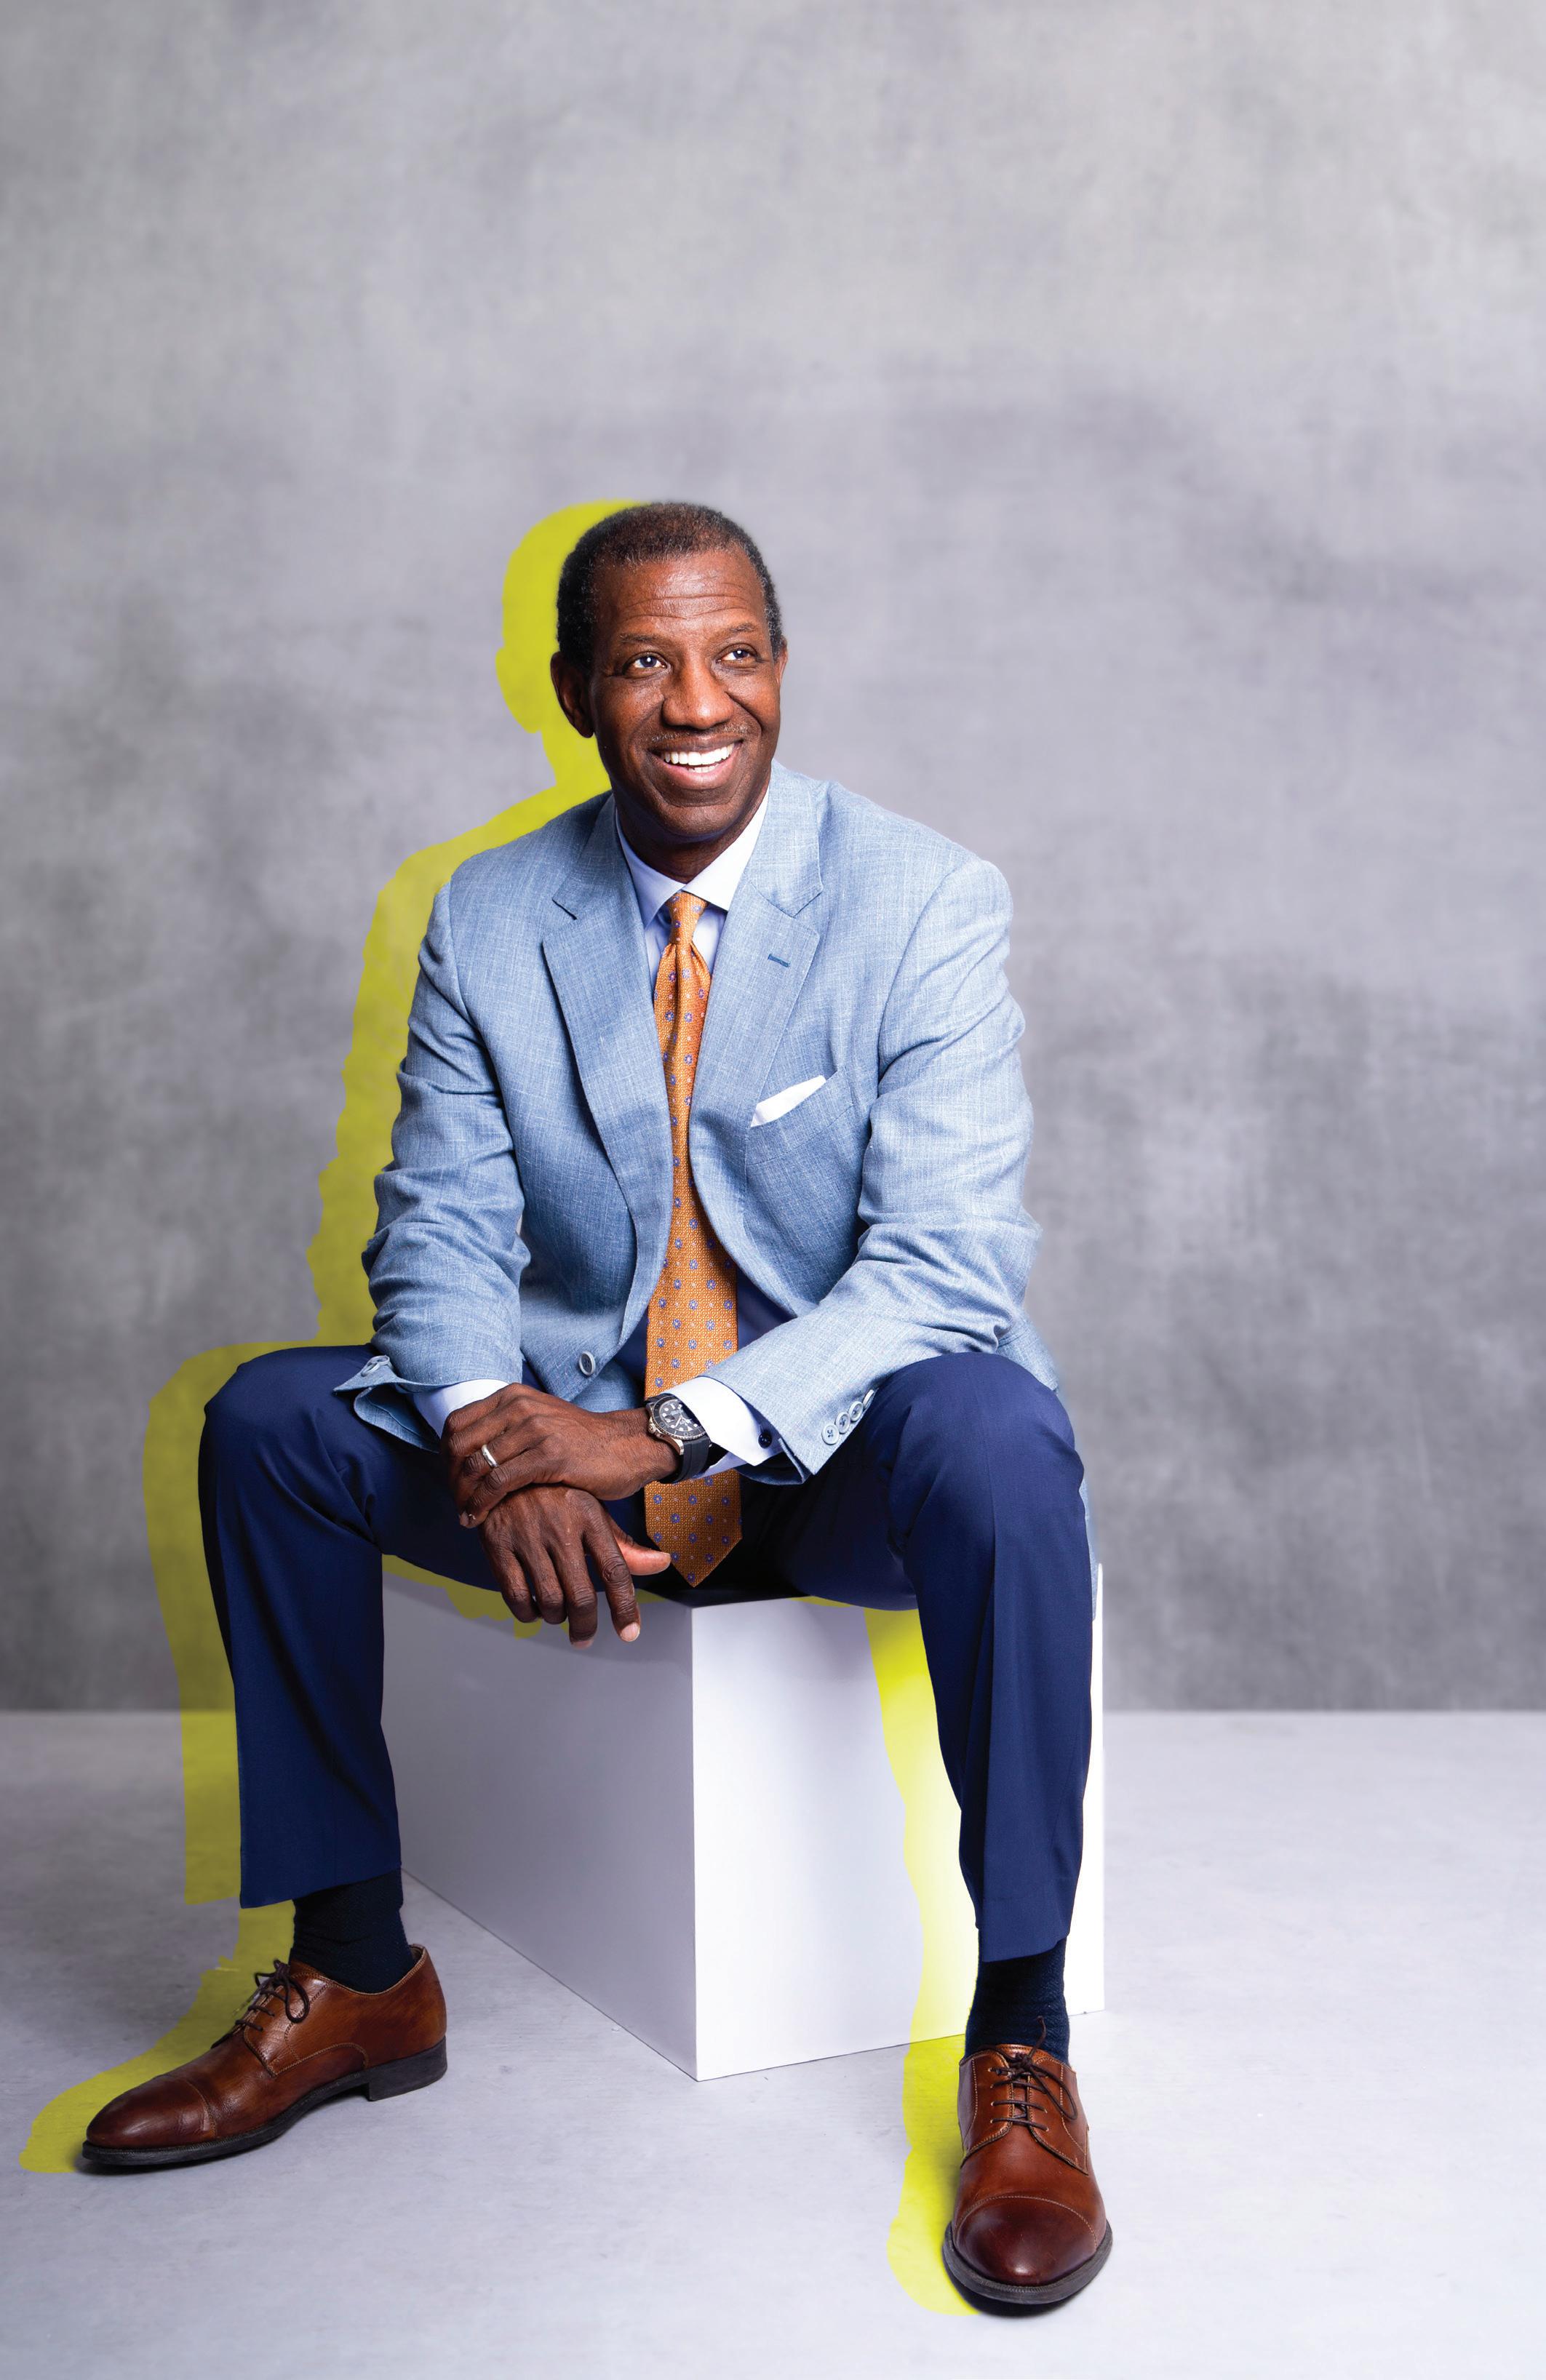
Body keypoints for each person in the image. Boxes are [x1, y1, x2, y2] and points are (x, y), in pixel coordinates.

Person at [83, 503, 1109, 2311]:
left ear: (780, 669)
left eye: (733, 655)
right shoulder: (491, 913)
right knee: (272, 1425)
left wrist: (666, 1432)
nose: (696, 703)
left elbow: (946, 1266)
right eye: (645, 662)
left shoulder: (922, 898)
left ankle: (1022, 2038)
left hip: (826, 1464)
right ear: (573, 691)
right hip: (575, 1467)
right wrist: (496, 1444)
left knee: (1000, 1433)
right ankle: (357, 1970)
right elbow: (438, 1228)